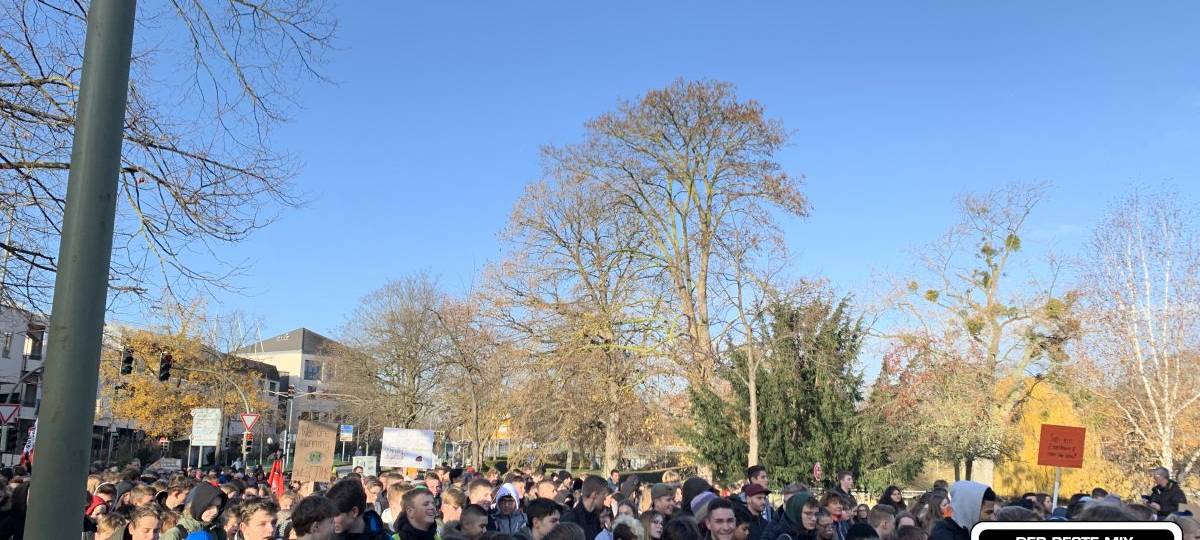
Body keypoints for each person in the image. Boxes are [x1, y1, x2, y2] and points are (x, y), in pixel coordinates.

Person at [326, 477, 391, 540]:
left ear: (354, 512)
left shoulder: (384, 537)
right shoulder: (326, 536)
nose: (330, 520)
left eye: (336, 514)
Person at [928, 482, 995, 540]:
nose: (993, 518)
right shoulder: (942, 534)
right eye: (988, 512)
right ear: (970, 509)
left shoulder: (970, 531)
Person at [163, 483, 229, 540]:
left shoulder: (218, 532)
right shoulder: (175, 534)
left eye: (218, 506)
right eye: (209, 506)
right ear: (199, 504)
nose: (215, 511)